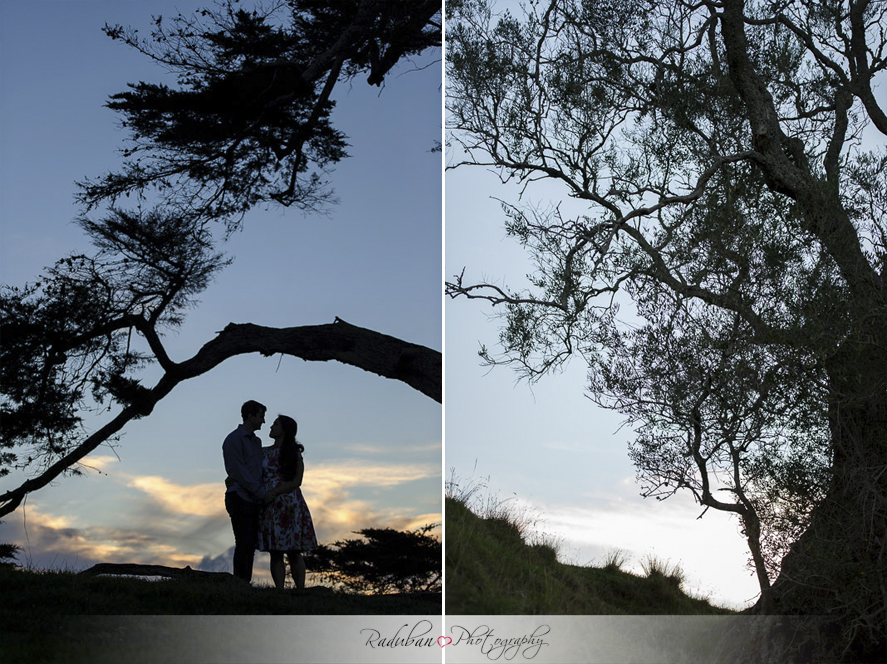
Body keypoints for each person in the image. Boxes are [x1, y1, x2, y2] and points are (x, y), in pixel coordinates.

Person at [257, 415, 318, 589]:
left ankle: (300, 589)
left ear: (284, 429)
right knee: (275, 551)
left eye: (275, 424)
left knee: (294, 550)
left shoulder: (293, 453)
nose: (271, 427)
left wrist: (275, 492)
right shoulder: (263, 452)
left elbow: (297, 481)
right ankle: (279, 590)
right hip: (269, 505)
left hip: (289, 505)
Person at [222, 400, 268, 582]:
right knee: (244, 542)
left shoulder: (257, 442)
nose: (263, 421)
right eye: (261, 416)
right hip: (239, 497)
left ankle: (244, 582)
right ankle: (240, 583)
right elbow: (240, 472)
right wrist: (260, 492)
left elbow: (258, 471)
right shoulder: (233, 439)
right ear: (250, 416)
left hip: (253, 498)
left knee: (250, 544)